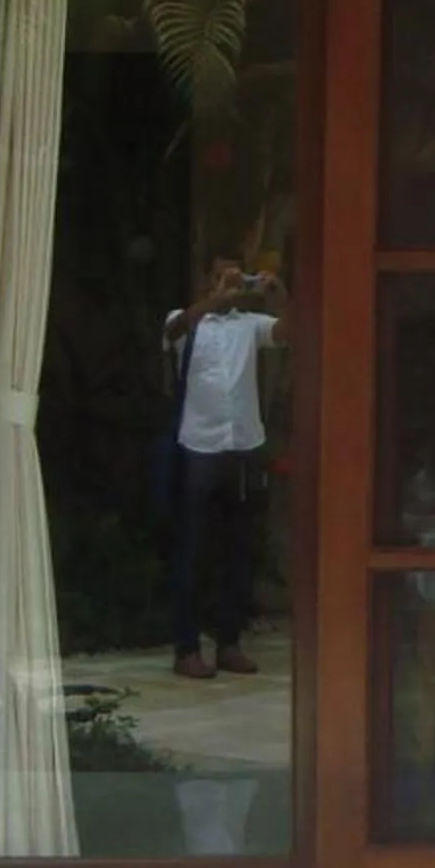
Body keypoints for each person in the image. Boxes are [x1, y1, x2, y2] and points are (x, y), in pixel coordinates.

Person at [164, 255, 283, 680]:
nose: (231, 286)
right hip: (198, 446)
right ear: (207, 281)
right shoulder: (187, 320)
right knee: (193, 551)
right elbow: (172, 333)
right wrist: (215, 300)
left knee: (239, 551)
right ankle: (187, 648)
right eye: (221, 277)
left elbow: (289, 334)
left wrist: (277, 292)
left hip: (243, 445)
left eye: (236, 277)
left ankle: (229, 642)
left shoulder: (250, 324)